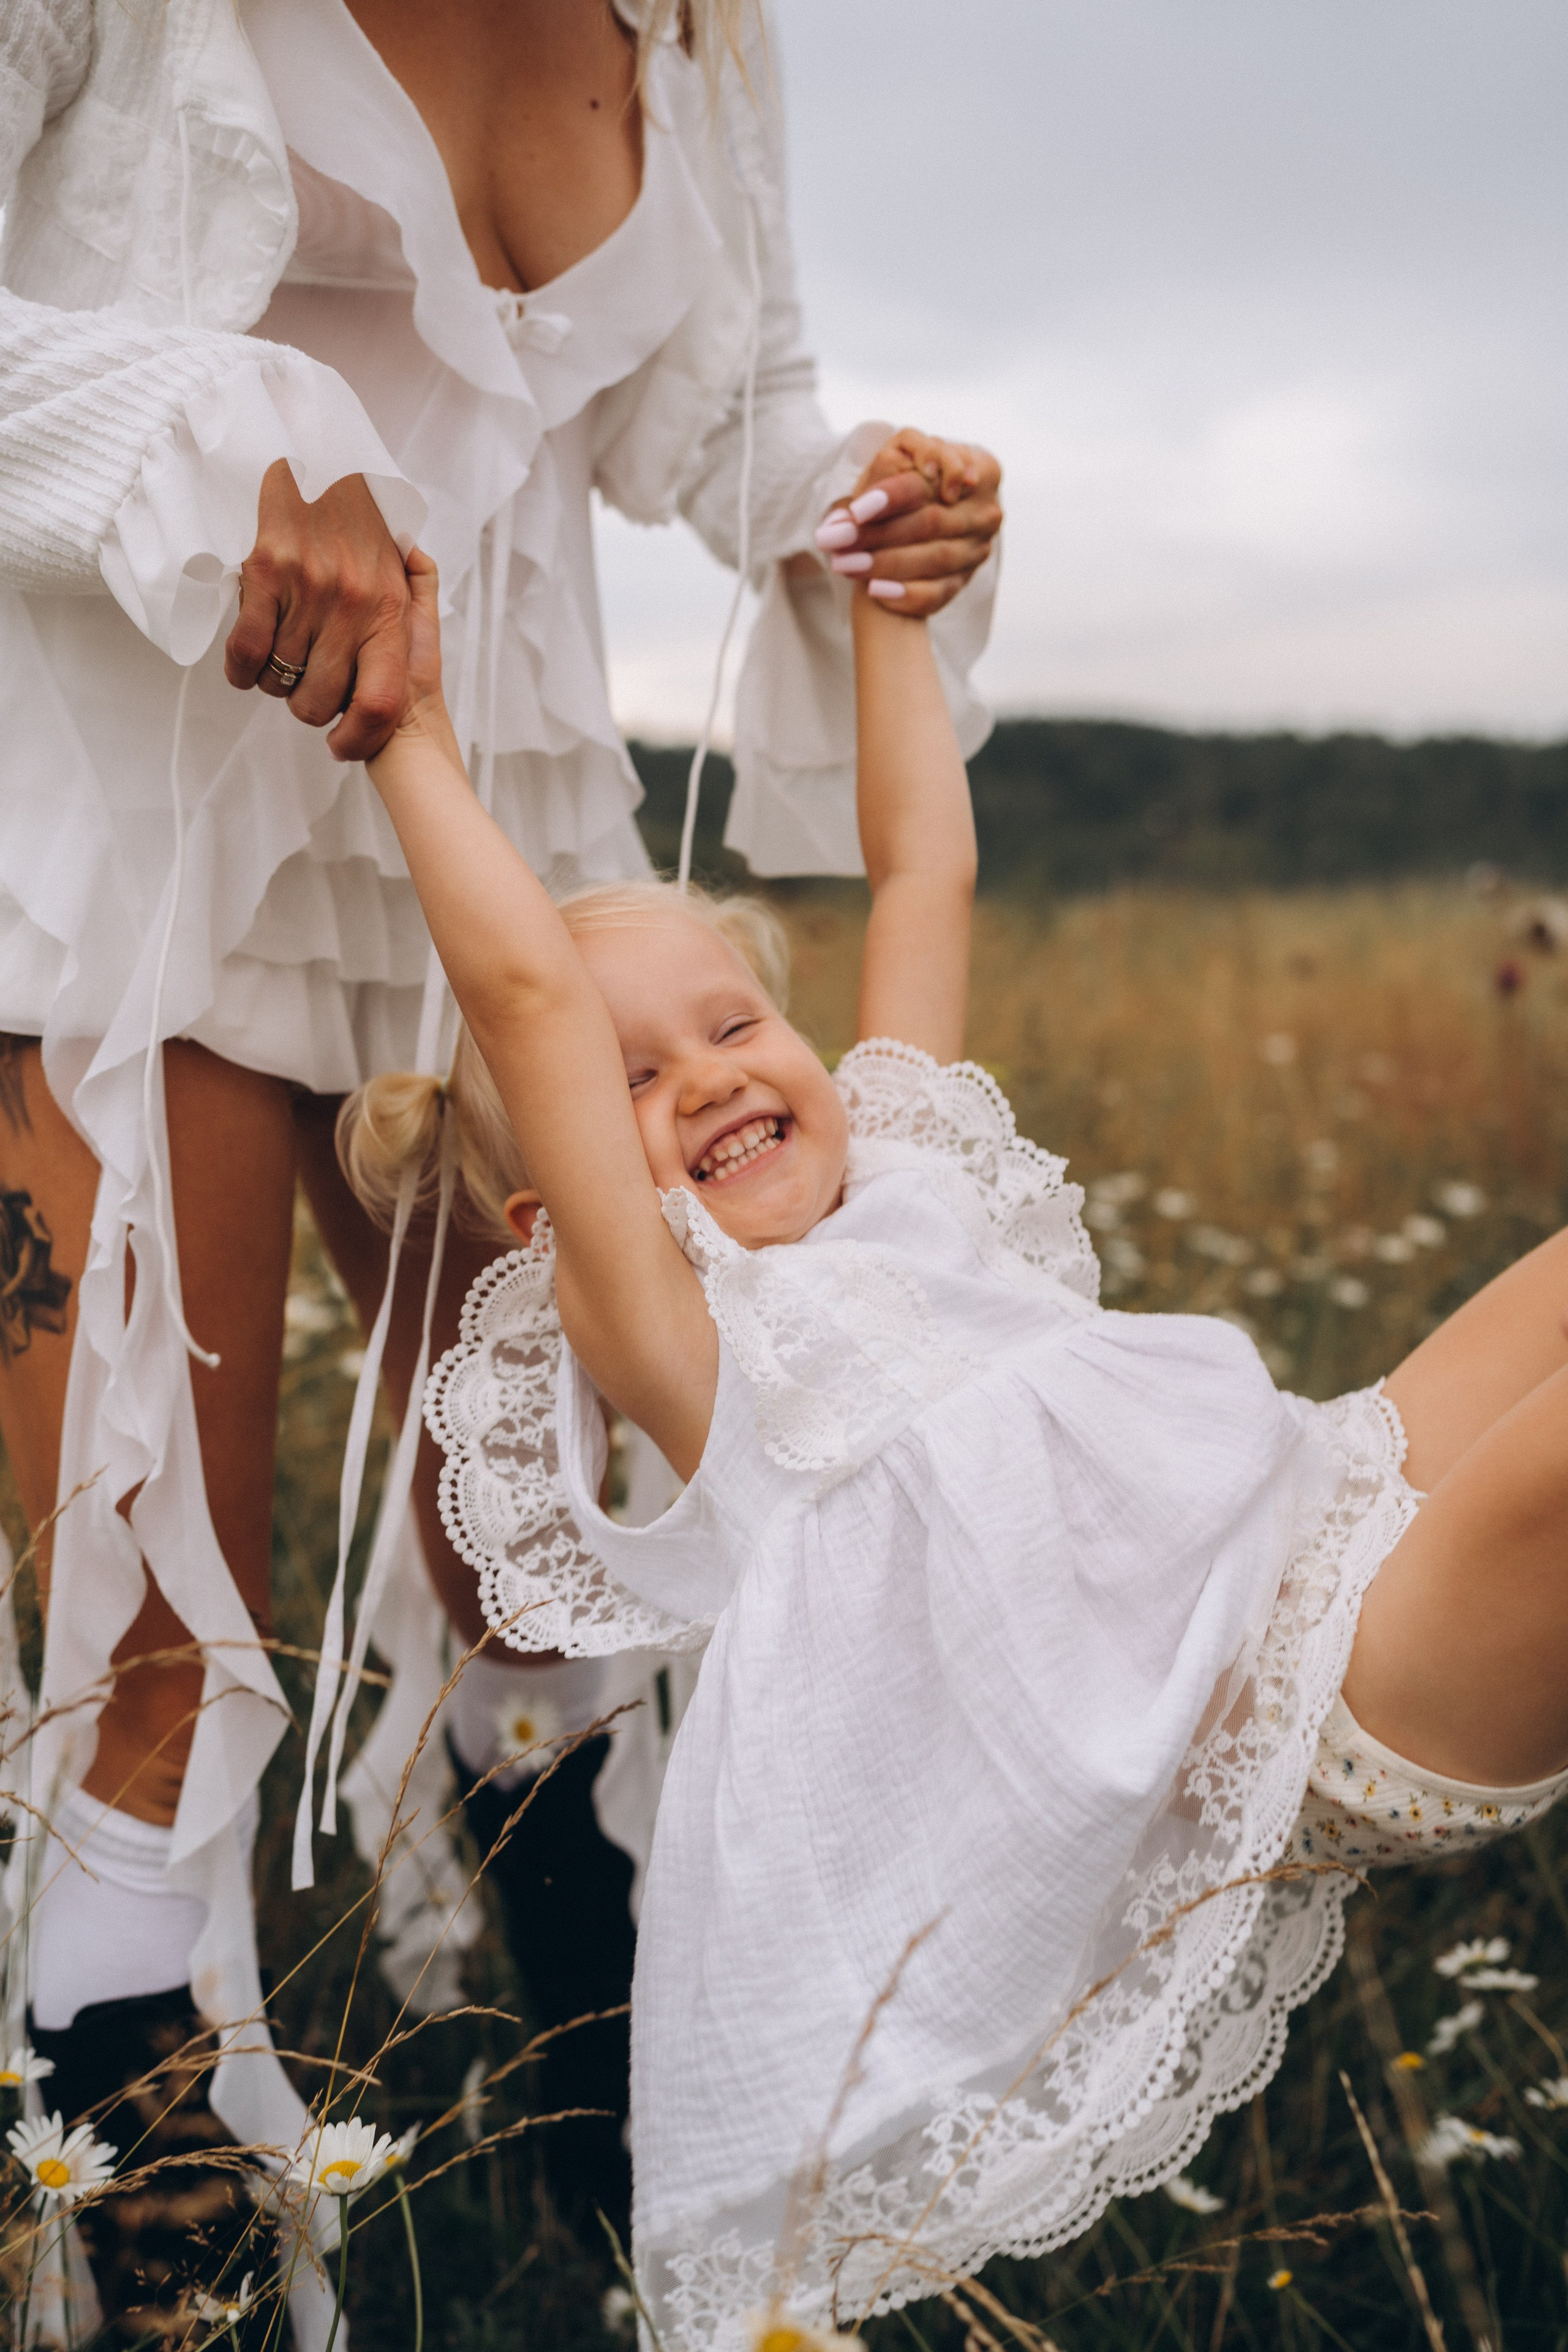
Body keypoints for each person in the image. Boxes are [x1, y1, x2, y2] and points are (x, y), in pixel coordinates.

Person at [347, 434, 1568, 2350]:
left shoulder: (918, 1176)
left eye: (737, 1025)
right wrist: (403, 727)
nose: (715, 1081)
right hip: (1304, 1708)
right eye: (639, 1084)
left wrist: (886, 606)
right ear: (565, 1200)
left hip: (1334, 1508)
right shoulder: (699, 1354)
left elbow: (926, 856)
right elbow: (517, 1000)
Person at [0, 0, 1001, 2334]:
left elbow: (720, 415)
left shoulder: (693, 31)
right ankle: (172, 2291)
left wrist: (870, 495)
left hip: (509, 820)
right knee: (158, 1633)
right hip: (130, 815)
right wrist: (199, 440)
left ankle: (621, 2176)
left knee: (576, 1563)